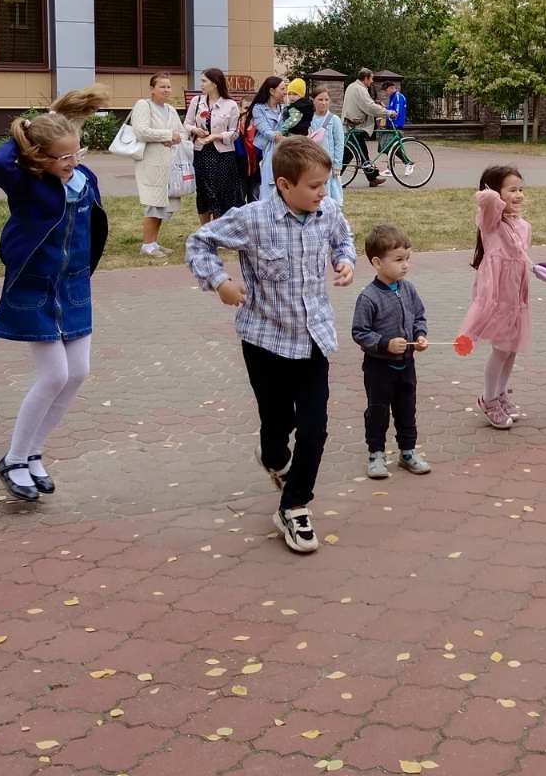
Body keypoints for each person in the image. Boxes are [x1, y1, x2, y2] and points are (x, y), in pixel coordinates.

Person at [185, 137, 356, 555]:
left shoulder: (328, 211)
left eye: (325, 184)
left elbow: (343, 238)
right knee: (277, 425)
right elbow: (198, 242)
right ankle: (274, 456)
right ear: (283, 184)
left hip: (314, 339)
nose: (322, 193)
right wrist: (220, 282)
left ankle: (294, 506)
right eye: (314, 186)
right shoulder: (253, 219)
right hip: (265, 342)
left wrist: (345, 260)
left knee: (315, 429)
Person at [0, 84, 112, 502]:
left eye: (77, 154)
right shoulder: (26, 183)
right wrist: (28, 132)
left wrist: (60, 130)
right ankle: (14, 459)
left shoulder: (84, 178)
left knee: (77, 374)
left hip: (73, 288)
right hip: (35, 290)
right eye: (63, 157)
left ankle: (34, 453)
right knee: (54, 374)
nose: (73, 163)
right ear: (39, 158)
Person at [351, 224, 432, 480]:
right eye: (398, 260)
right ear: (377, 262)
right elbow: (360, 332)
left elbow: (419, 316)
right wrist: (385, 343)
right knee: (378, 411)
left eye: (407, 258)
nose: (405, 265)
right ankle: (376, 454)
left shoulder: (408, 289)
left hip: (406, 365)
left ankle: (407, 452)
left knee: (407, 409)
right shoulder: (368, 297)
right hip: (379, 368)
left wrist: (420, 335)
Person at [454, 165, 532, 429]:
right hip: (495, 295)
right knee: (500, 349)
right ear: (497, 192)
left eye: (521, 189)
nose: (519, 195)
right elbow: (485, 200)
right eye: (512, 189)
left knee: (511, 349)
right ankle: (488, 399)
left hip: (515, 296)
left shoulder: (523, 226)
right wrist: (492, 192)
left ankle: (501, 394)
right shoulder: (490, 221)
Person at [129, 73, 185, 257]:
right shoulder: (143, 106)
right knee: (153, 203)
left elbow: (181, 133)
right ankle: (147, 244)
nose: (166, 90)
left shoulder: (171, 110)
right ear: (152, 89)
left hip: (169, 164)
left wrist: (175, 139)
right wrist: (168, 136)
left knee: (163, 204)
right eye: (162, 86)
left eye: (169, 86)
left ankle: (154, 242)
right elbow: (141, 131)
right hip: (151, 162)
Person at [184, 67, 245, 225]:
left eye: (204, 80)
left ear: (215, 83)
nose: (201, 84)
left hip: (223, 155)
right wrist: (195, 129)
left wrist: (216, 136)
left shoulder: (230, 104)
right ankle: (205, 230)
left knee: (223, 192)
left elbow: (235, 133)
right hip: (201, 153)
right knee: (203, 192)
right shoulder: (196, 101)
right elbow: (187, 124)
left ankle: (219, 229)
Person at [341, 67, 389, 187]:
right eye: (371, 78)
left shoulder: (353, 86)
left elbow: (366, 103)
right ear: (366, 78)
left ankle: (372, 178)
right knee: (349, 155)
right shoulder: (360, 89)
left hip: (351, 125)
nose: (372, 81)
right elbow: (369, 106)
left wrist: (377, 105)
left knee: (361, 153)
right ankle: (332, 179)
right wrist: (387, 112)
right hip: (355, 126)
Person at [245, 76, 287, 201]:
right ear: (272, 91)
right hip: (266, 153)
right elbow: (265, 130)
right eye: (282, 89)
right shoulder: (258, 109)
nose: (285, 92)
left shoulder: (285, 108)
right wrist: (280, 137)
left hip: (284, 152)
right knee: (268, 186)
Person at [308, 89, 346, 206]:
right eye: (320, 99)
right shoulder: (309, 119)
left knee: (331, 192)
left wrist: (337, 165)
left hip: (329, 163)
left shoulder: (334, 120)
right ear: (313, 101)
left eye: (326, 100)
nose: (323, 103)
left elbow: (339, 143)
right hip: (312, 162)